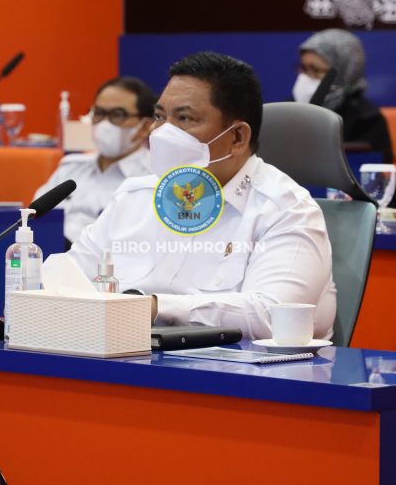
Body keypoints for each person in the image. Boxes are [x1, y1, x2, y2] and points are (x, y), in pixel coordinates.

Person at [69, 52, 337, 340]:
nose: (162, 132)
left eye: (184, 118)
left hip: (234, 366)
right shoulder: (134, 196)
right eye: (159, 116)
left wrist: (155, 309)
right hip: (121, 356)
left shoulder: (286, 210)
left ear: (238, 137)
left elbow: (275, 316)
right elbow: (68, 280)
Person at [35, 77, 155, 247]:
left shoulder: (153, 176)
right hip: (51, 252)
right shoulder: (71, 168)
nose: (104, 123)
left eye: (117, 115)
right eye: (98, 113)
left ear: (145, 126)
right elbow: (35, 219)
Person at [292, 28, 394, 162]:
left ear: (344, 73)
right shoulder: (288, 110)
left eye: (316, 70)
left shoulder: (367, 120)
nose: (305, 77)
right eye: (304, 68)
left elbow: (375, 170)